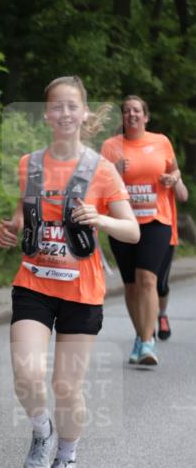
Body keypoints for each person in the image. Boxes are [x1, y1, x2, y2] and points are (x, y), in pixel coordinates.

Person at [0, 76, 138, 468]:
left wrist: (103, 220)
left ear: (85, 114)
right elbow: (25, 221)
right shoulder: (29, 165)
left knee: (66, 386)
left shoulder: (103, 170)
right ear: (46, 114)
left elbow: (131, 231)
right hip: (34, 282)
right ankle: (42, 432)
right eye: (56, 106)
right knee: (25, 374)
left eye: (72, 106)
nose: (64, 113)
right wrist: (9, 232)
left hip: (82, 290)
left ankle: (66, 457)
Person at [101, 96, 183, 365]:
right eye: (126, 111)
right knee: (131, 285)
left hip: (156, 221)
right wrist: (114, 170)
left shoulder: (160, 142)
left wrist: (173, 178)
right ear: (122, 118)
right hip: (123, 222)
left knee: (147, 278)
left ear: (146, 117)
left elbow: (174, 171)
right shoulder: (111, 147)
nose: (131, 115)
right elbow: (98, 184)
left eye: (136, 110)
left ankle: (148, 343)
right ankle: (141, 336)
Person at [157, 174, 189, 340]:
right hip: (137, 234)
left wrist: (175, 181)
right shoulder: (129, 162)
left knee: (160, 284)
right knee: (139, 285)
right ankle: (144, 331)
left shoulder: (168, 166)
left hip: (165, 234)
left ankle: (162, 315)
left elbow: (183, 196)